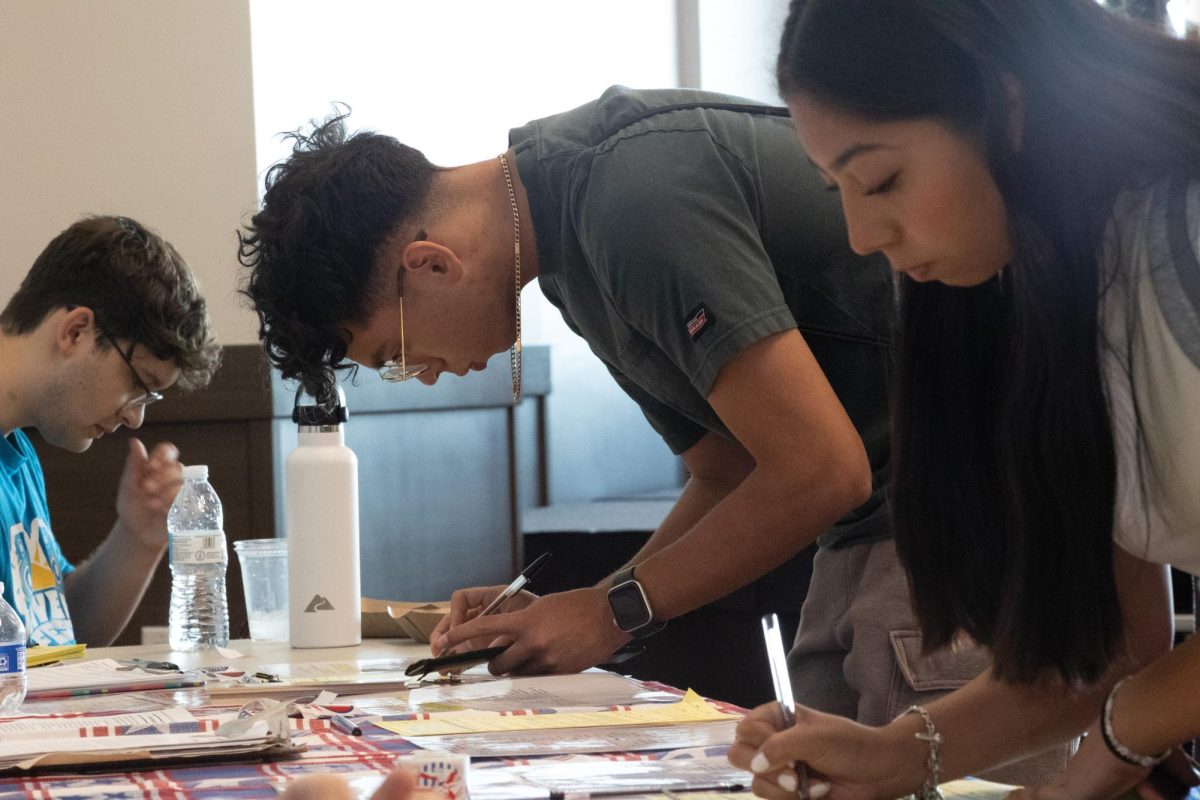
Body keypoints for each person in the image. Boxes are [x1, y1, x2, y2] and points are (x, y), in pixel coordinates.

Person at [239, 87, 1062, 781]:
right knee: (801, 774)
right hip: (876, 526)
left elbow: (821, 469)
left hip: (975, 497)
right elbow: (728, 468)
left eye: (396, 354)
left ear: (430, 265)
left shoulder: (631, 199)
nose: (423, 376)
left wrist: (613, 609)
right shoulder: (560, 244)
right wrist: (571, 610)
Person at [730, 1, 1200, 798]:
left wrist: (1117, 743)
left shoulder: (1180, 234)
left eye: (880, 178)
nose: (860, 233)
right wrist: (900, 753)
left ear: (1008, 106)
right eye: (835, 186)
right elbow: (1111, 643)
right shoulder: (1051, 282)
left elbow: (1134, 686)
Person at [0, 215, 220, 646]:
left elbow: (54, 633)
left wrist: (137, 537)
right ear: (76, 332)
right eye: (138, 383)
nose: (135, 418)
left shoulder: (18, 454)